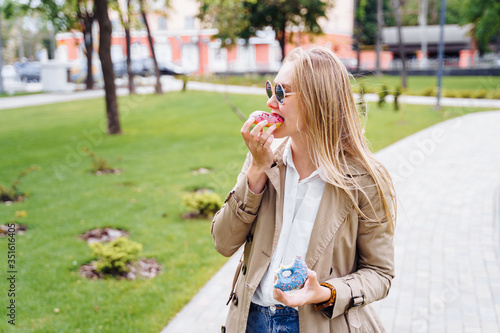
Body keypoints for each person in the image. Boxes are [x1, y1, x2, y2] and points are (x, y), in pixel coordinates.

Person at [211, 46, 396, 333]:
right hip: (252, 321)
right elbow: (223, 242)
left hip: (319, 324)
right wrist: (257, 171)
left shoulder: (365, 179)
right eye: (271, 89)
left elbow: (380, 274)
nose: (271, 102)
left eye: (282, 93)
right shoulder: (263, 157)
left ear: (317, 100)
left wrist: (325, 292)